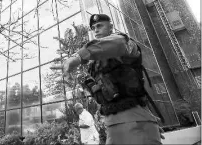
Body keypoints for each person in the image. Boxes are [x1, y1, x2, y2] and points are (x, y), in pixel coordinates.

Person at [52, 14, 165, 144]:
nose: (96, 30)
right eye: (93, 27)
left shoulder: (126, 44)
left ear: (111, 27)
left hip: (135, 123)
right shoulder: (95, 63)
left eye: (99, 26)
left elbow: (116, 43)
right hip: (112, 125)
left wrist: (77, 57)